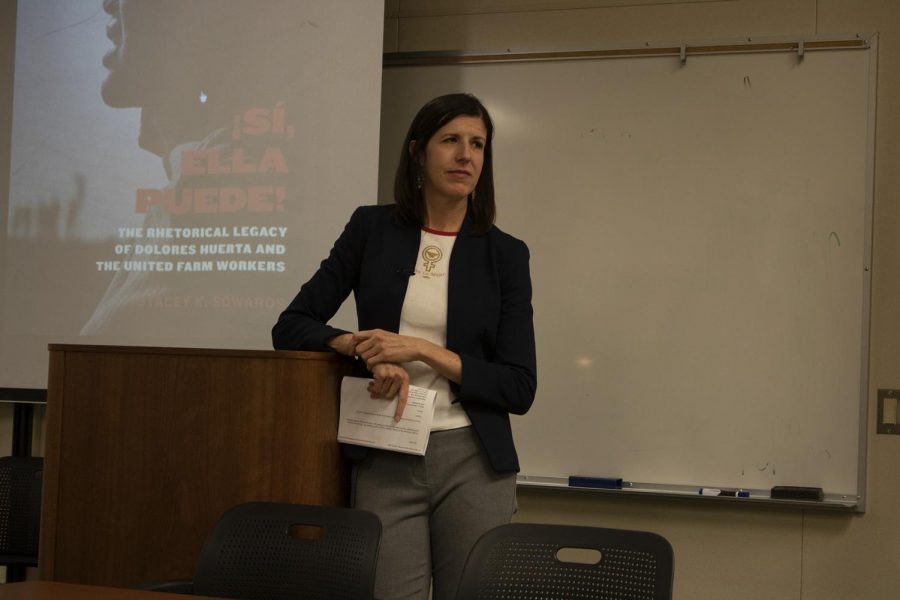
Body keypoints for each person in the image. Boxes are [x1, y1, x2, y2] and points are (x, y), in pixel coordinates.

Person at [271, 93, 537, 600]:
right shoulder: (371, 229)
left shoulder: (505, 254)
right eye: (451, 141)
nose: (466, 156)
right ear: (418, 152)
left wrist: (423, 350)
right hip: (385, 449)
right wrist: (361, 346)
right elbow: (291, 326)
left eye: (478, 144)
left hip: (472, 458)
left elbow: (519, 386)